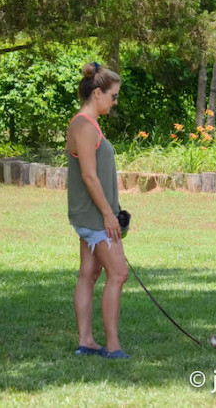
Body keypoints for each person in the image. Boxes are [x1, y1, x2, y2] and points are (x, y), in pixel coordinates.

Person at [66, 62, 129, 359]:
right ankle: (113, 346)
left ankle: (86, 342)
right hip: (94, 217)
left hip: (90, 214)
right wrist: (108, 214)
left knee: (89, 274)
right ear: (98, 93)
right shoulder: (84, 126)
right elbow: (89, 177)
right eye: (113, 96)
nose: (115, 102)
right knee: (118, 273)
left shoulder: (87, 124)